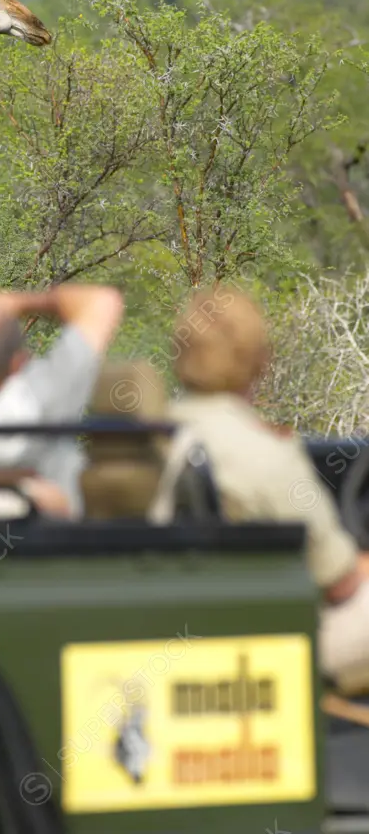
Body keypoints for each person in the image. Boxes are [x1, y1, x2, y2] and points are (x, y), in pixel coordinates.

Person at [152, 284, 369, 690]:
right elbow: (339, 582)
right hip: (258, 648)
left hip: (165, 633)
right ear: (260, 361)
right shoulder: (264, 453)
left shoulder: (145, 441)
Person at [0, 282, 125, 518]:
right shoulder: (40, 398)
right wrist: (16, 302)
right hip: (57, 544)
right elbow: (103, 301)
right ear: (19, 363)